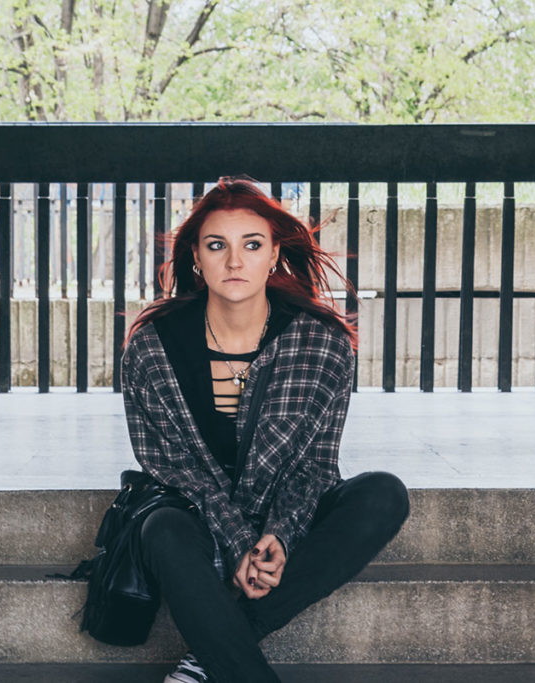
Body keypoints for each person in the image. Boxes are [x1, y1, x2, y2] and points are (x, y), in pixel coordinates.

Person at [118, 176, 409, 682]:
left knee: (385, 493)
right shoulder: (151, 348)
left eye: (251, 245)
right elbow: (171, 467)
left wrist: (278, 534)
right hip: (194, 515)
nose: (234, 262)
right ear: (196, 259)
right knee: (160, 528)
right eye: (217, 246)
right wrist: (236, 541)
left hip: (280, 507)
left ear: (274, 255)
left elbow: (316, 465)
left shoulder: (322, 345)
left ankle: (212, 652)